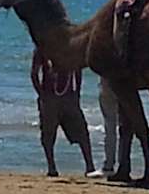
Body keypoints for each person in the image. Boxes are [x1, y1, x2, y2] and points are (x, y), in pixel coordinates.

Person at [30, 50, 97, 178]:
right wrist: (42, 94)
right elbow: (34, 73)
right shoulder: (42, 48)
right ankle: (51, 167)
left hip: (68, 97)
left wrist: (77, 93)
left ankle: (90, 166)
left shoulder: (69, 46)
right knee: (48, 134)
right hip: (50, 98)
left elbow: (78, 69)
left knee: (82, 131)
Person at [97, 76, 121, 176]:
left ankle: (109, 165)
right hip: (126, 87)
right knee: (125, 129)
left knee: (110, 128)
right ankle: (123, 165)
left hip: (109, 87)